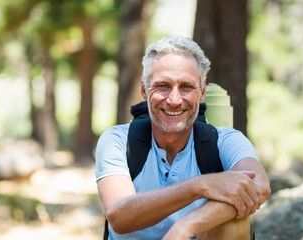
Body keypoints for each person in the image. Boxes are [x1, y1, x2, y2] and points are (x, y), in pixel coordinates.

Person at [95, 36, 271, 240]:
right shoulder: (117, 140)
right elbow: (119, 216)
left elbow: (259, 185)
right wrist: (198, 186)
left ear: (202, 92)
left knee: (235, 222)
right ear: (144, 90)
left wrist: (185, 228)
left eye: (186, 87)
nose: (174, 100)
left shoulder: (225, 141)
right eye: (162, 86)